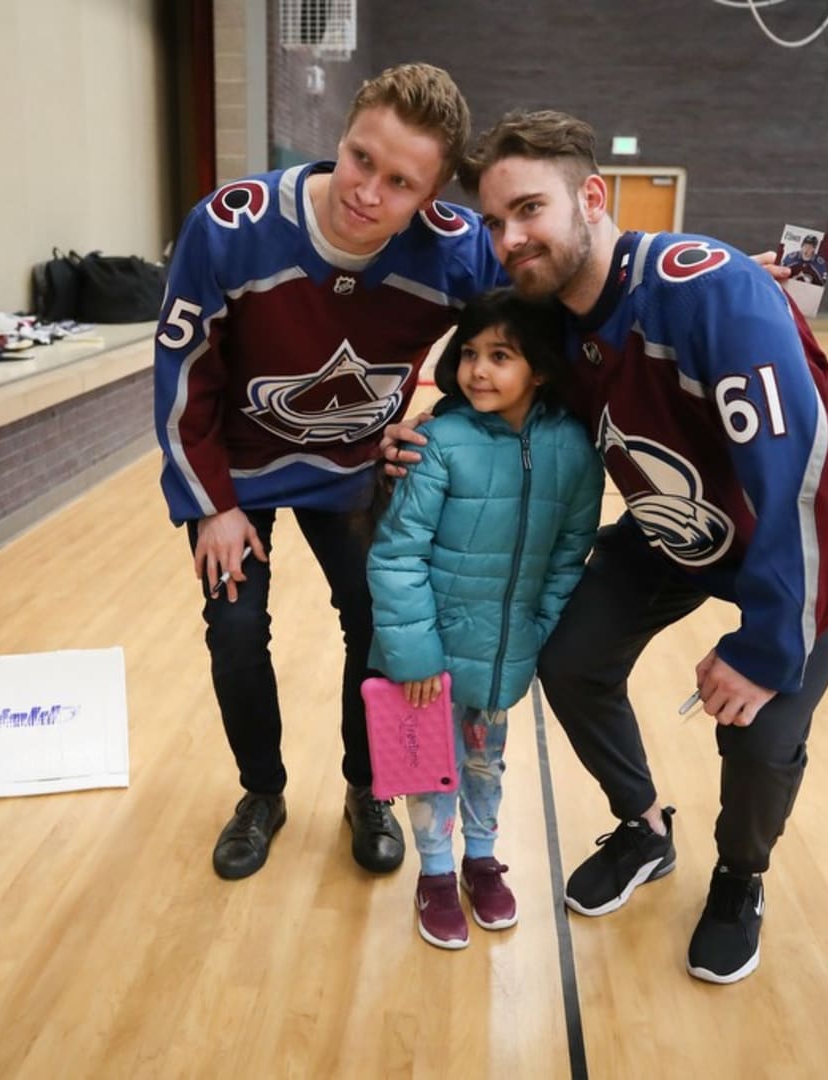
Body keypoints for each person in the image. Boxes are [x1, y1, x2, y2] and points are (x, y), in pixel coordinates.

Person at [384, 110, 828, 983]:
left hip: (809, 541)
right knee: (573, 659)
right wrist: (421, 430)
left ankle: (739, 878)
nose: (510, 238)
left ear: (592, 196)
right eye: (496, 222)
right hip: (676, 529)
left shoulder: (710, 294)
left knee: (759, 727)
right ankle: (644, 826)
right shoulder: (553, 316)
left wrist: (764, 650)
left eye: (529, 210)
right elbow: (498, 379)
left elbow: (809, 493)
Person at [152, 64, 507, 881]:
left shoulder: (458, 253)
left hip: (355, 466)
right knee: (235, 630)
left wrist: (440, 426)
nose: (368, 192)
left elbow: (536, 330)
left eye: (400, 183)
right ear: (341, 138)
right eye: (360, 159)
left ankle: (368, 787)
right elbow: (182, 376)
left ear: (431, 197)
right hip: (235, 473)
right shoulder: (230, 227)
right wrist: (211, 507)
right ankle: (262, 793)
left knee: (381, 625)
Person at [365, 288, 603, 949]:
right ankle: (436, 873)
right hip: (427, 656)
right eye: (470, 353)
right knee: (427, 765)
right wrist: (415, 657)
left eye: (501, 356)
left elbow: (569, 555)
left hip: (503, 652)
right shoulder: (439, 441)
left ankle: (480, 858)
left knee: (484, 764)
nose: (477, 370)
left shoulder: (574, 450)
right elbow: (396, 555)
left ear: (541, 368)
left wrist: (536, 630)